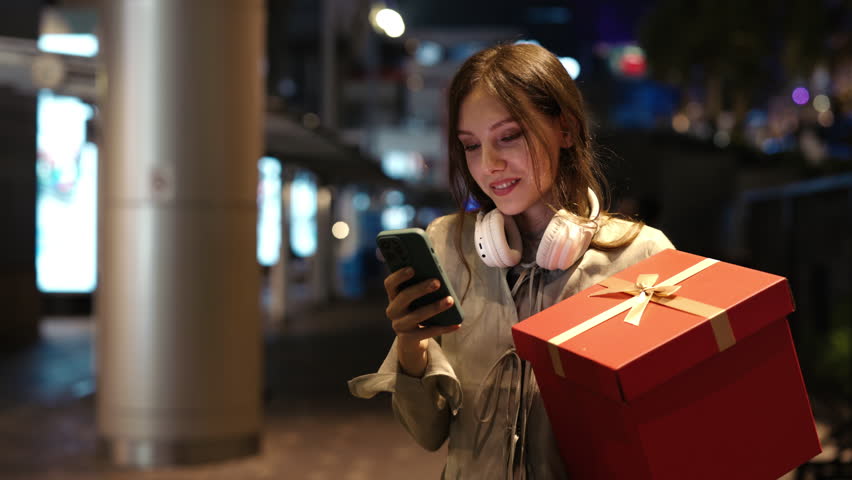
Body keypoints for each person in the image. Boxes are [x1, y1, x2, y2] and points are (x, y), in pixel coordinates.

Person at [349, 43, 674, 479]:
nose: (489, 164)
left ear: (566, 129)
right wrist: (411, 345)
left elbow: (671, 429)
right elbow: (427, 433)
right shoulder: (448, 245)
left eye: (509, 136)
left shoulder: (643, 259)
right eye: (470, 145)